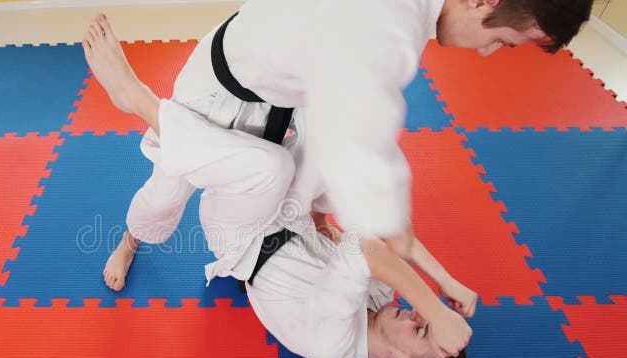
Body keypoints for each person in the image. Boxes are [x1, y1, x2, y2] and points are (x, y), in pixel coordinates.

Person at [82, 14, 477, 358]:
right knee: (338, 141)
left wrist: (436, 305)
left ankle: (140, 103)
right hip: (290, 212)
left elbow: (365, 250)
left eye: (420, 330)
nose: (418, 315)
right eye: (426, 319)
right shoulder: (382, 299)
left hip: (243, 236)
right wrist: (442, 281)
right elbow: (355, 235)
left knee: (253, 171)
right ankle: (289, 77)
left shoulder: (331, 341)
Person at [95, 0, 593, 293]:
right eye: (504, 41)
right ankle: (135, 144)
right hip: (215, 91)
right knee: (168, 191)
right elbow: (363, 141)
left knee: (309, 161)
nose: (487, 52)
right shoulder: (392, 32)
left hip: (284, 88)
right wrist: (406, 252)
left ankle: (310, 219)